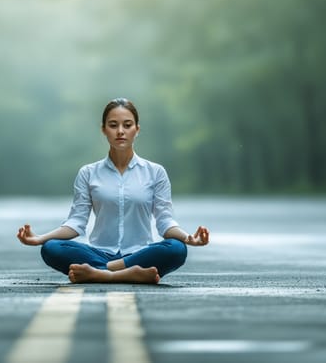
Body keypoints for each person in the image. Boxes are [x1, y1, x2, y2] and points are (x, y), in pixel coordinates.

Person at [16, 97, 210, 284]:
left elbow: (165, 222)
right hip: (99, 252)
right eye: (113, 125)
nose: (120, 131)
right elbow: (76, 223)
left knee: (176, 248)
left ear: (137, 129)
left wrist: (188, 238)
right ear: (104, 129)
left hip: (140, 253)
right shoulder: (88, 173)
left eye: (127, 125)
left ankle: (101, 273)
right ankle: (130, 274)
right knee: (51, 248)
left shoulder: (155, 172)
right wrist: (39, 239)